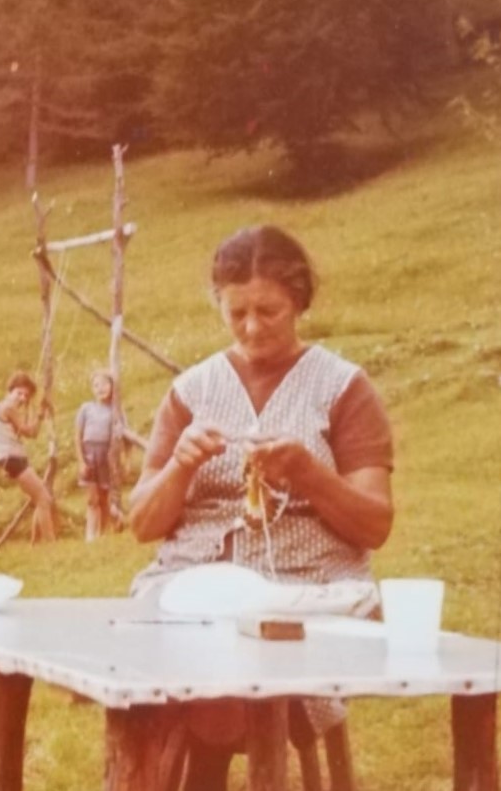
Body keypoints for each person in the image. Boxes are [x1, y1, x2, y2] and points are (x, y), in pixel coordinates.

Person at [128, 224, 393, 781]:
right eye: (236, 313)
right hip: (196, 588)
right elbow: (143, 524)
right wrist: (181, 465)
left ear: (297, 300)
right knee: (188, 640)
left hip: (305, 587)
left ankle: (206, 758)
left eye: (268, 311)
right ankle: (205, 748)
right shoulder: (192, 391)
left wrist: (307, 472)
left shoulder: (343, 388)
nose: (252, 327)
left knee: (232, 653)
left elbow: (374, 524)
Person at [0, 371, 58, 543]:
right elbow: (31, 432)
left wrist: (34, 412)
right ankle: (51, 544)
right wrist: (40, 415)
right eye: (18, 393)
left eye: (26, 395)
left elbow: (25, 429)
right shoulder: (8, 408)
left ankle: (35, 544)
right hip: (12, 458)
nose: (21, 398)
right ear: (9, 391)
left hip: (10, 458)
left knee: (39, 497)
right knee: (44, 498)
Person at [75, 369, 118, 542]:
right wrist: (80, 461)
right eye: (96, 385)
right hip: (88, 453)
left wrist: (125, 460)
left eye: (105, 384)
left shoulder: (115, 410)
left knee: (103, 497)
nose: (101, 388)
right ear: (92, 389)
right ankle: (90, 535)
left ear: (112, 386)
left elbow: (125, 436)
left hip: (105, 455)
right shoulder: (86, 408)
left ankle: (104, 533)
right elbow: (77, 435)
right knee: (92, 498)